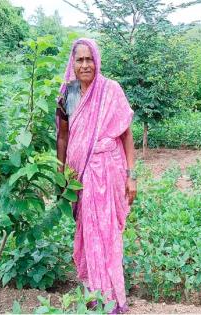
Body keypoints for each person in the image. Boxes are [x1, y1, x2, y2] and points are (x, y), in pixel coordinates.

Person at [56, 38, 137, 313]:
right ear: (72, 63)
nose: (84, 65)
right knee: (89, 232)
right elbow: (63, 137)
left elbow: (126, 134)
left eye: (89, 59)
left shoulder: (111, 91)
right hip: (80, 177)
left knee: (108, 234)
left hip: (109, 171)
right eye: (79, 60)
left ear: (97, 61)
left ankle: (113, 298)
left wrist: (131, 175)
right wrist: (60, 174)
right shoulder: (66, 95)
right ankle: (94, 295)